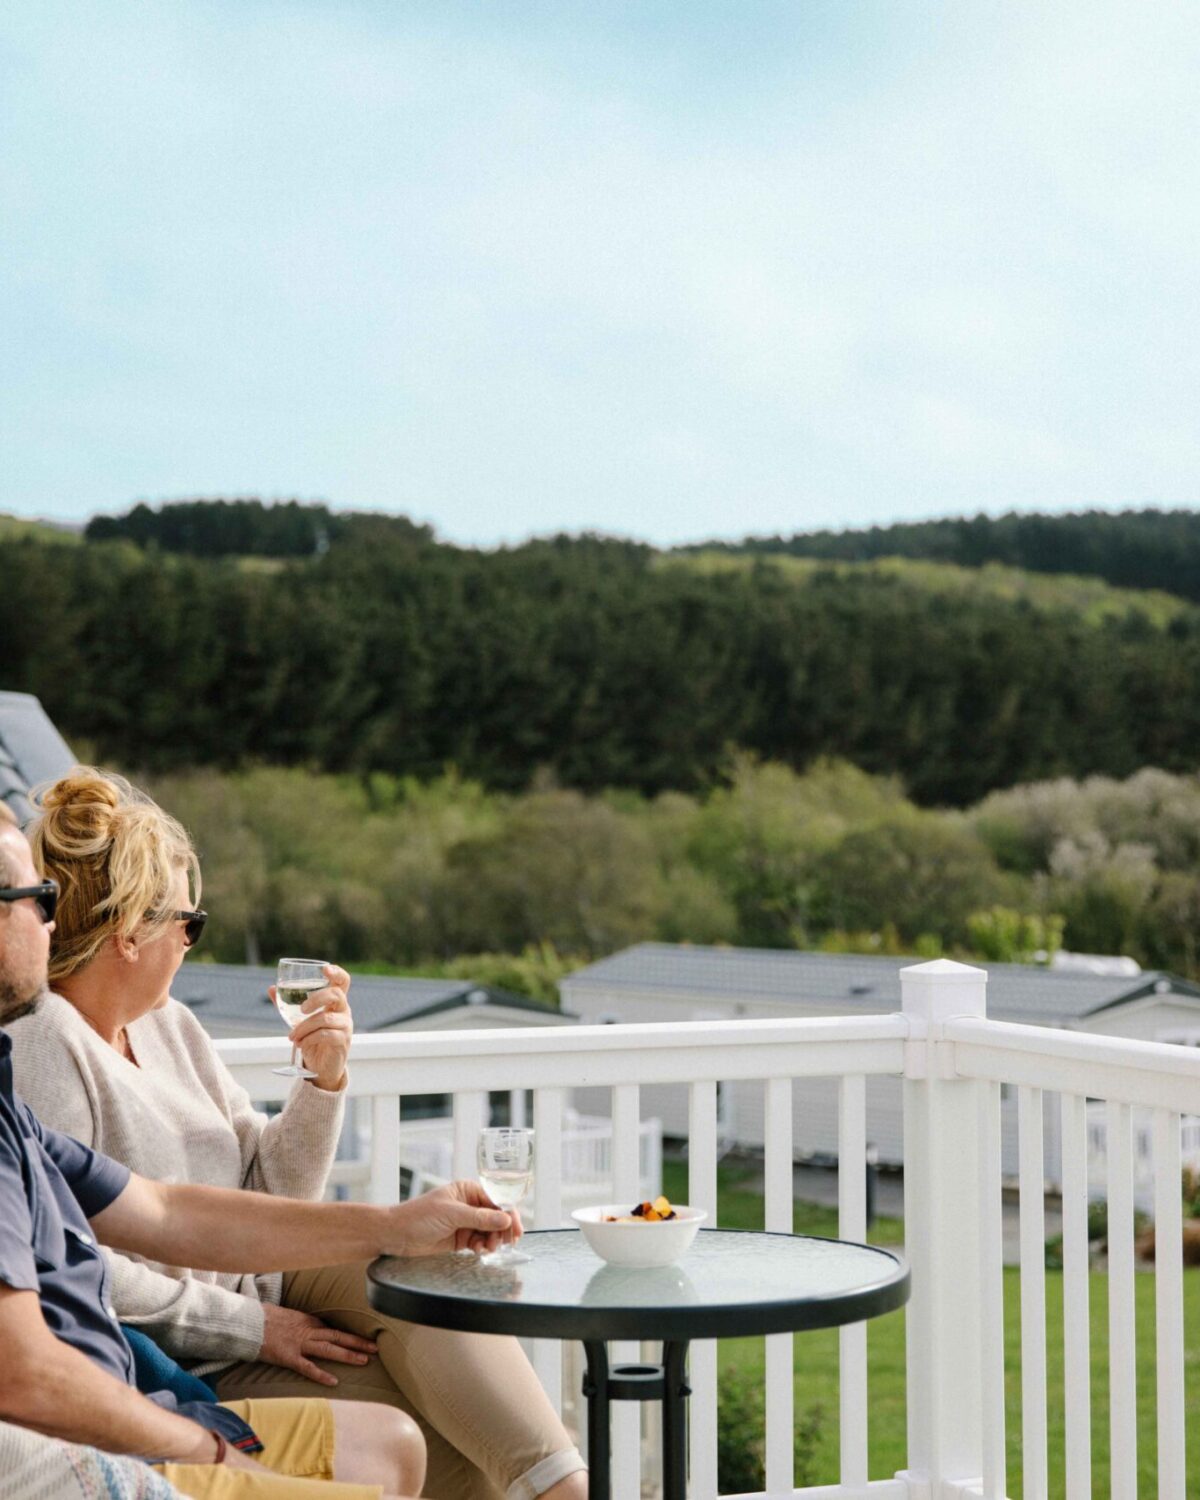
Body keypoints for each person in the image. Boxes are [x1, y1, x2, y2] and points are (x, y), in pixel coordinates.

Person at [9, 769, 587, 1500]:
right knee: (435, 1425)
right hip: (189, 1336)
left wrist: (321, 1080)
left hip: (269, 1280)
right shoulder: (44, 1047)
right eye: (192, 922)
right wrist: (253, 1326)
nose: (192, 942)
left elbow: (276, 1188)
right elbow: (84, 1264)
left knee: (429, 1277)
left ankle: (570, 1490)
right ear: (131, 931)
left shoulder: (168, 1025)